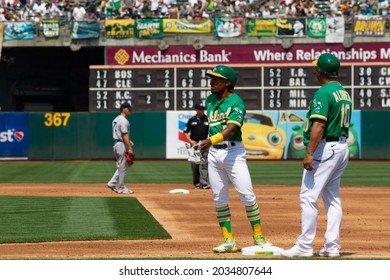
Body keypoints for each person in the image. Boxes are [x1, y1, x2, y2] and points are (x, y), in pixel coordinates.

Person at [280, 53, 352, 258]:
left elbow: (319, 125)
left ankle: (304, 246)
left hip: (326, 148)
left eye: (316, 68)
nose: (315, 71)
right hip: (341, 147)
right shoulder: (343, 92)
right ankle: (332, 247)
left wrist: (309, 153)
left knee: (308, 196)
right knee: (333, 198)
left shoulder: (323, 93)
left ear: (321, 71)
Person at [199, 65, 271, 253]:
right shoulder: (210, 100)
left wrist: (211, 140)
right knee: (219, 198)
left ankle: (258, 237)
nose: (212, 81)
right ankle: (228, 240)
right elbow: (215, 126)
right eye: (211, 78)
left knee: (247, 195)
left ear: (227, 83)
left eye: (216, 79)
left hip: (233, 153)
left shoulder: (237, 102)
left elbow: (231, 129)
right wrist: (209, 143)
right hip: (214, 153)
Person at [107, 102, 135, 194]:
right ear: (124, 109)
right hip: (121, 144)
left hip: (116, 144)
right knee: (123, 166)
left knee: (123, 165)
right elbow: (124, 135)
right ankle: (122, 188)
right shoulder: (123, 120)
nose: (130, 111)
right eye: (129, 109)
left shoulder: (116, 119)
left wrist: (128, 141)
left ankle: (112, 182)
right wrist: (130, 148)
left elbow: (120, 134)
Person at [183, 102, 210, 190]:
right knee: (194, 165)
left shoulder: (208, 119)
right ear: (196, 110)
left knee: (205, 164)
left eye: (203, 109)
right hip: (194, 146)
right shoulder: (192, 120)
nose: (202, 110)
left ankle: (204, 183)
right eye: (200, 109)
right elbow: (185, 132)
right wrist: (190, 141)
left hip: (205, 145)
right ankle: (197, 183)